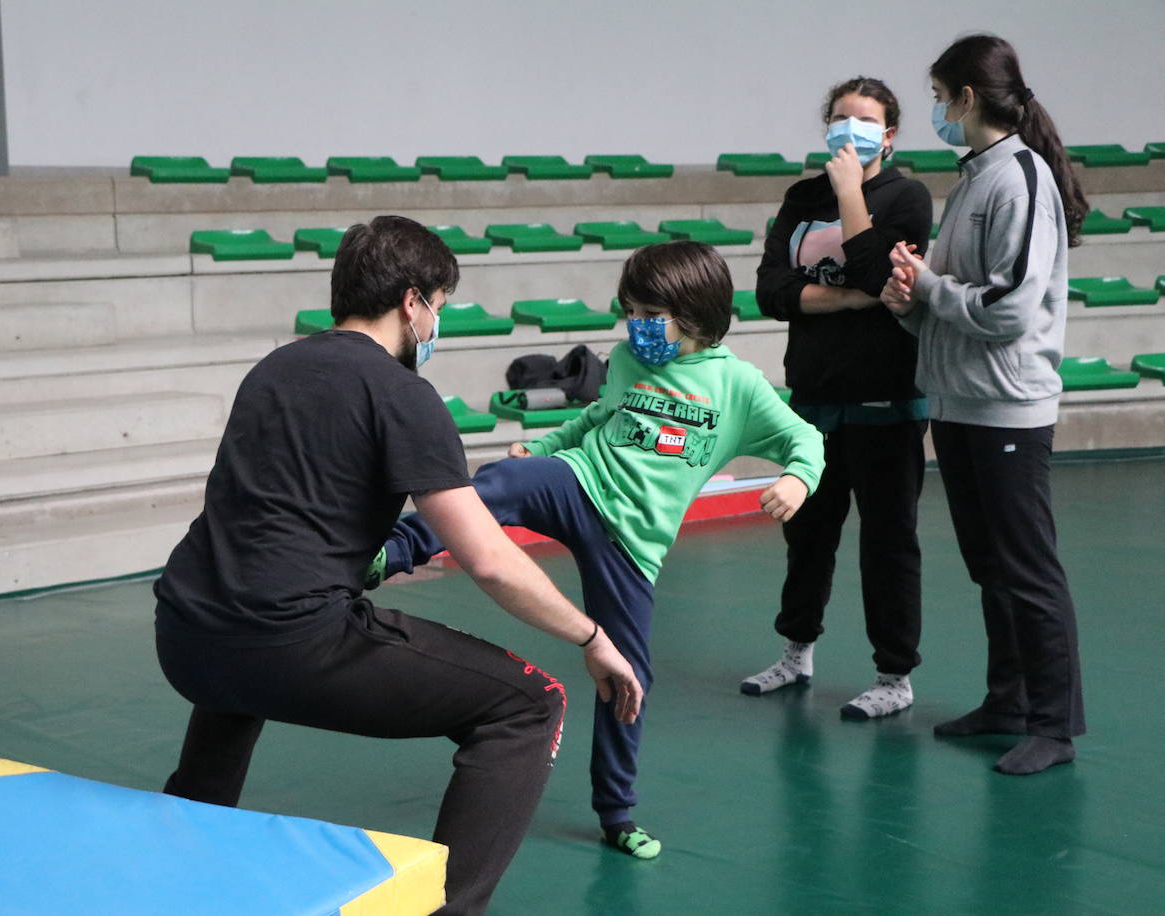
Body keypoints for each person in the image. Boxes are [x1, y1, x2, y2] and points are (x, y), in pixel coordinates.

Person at [153, 214, 645, 915]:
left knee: (240, 665)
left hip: (184, 635)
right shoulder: (402, 394)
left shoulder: (274, 369)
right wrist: (593, 638)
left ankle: (171, 863)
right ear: (413, 303)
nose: (436, 326)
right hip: (289, 645)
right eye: (439, 309)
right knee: (531, 705)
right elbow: (491, 562)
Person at [372, 241, 825, 858]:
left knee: (627, 678)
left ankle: (617, 813)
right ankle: (393, 552)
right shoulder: (625, 359)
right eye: (631, 311)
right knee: (496, 484)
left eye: (652, 314)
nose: (637, 327)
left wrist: (797, 478)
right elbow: (596, 421)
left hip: (633, 544)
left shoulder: (737, 385)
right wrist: (543, 447)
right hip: (577, 483)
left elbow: (806, 438)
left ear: (696, 315)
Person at [880, 34, 1088, 775]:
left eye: (939, 98)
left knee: (1028, 569)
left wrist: (930, 289)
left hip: (1008, 408)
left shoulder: (1020, 178)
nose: (937, 109)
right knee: (989, 566)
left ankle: (1055, 725)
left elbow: (1007, 307)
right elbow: (955, 294)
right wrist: (909, 298)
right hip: (959, 402)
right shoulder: (972, 178)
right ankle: (1009, 700)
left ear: (968, 98)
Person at [744, 77, 933, 719]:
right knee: (807, 534)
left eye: (866, 119)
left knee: (888, 542)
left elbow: (882, 273)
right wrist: (852, 299)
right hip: (813, 402)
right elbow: (771, 290)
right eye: (840, 116)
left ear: (889, 134)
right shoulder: (801, 197)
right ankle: (797, 654)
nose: (850, 128)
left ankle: (894, 676)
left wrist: (853, 196)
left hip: (887, 405)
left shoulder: (905, 196)